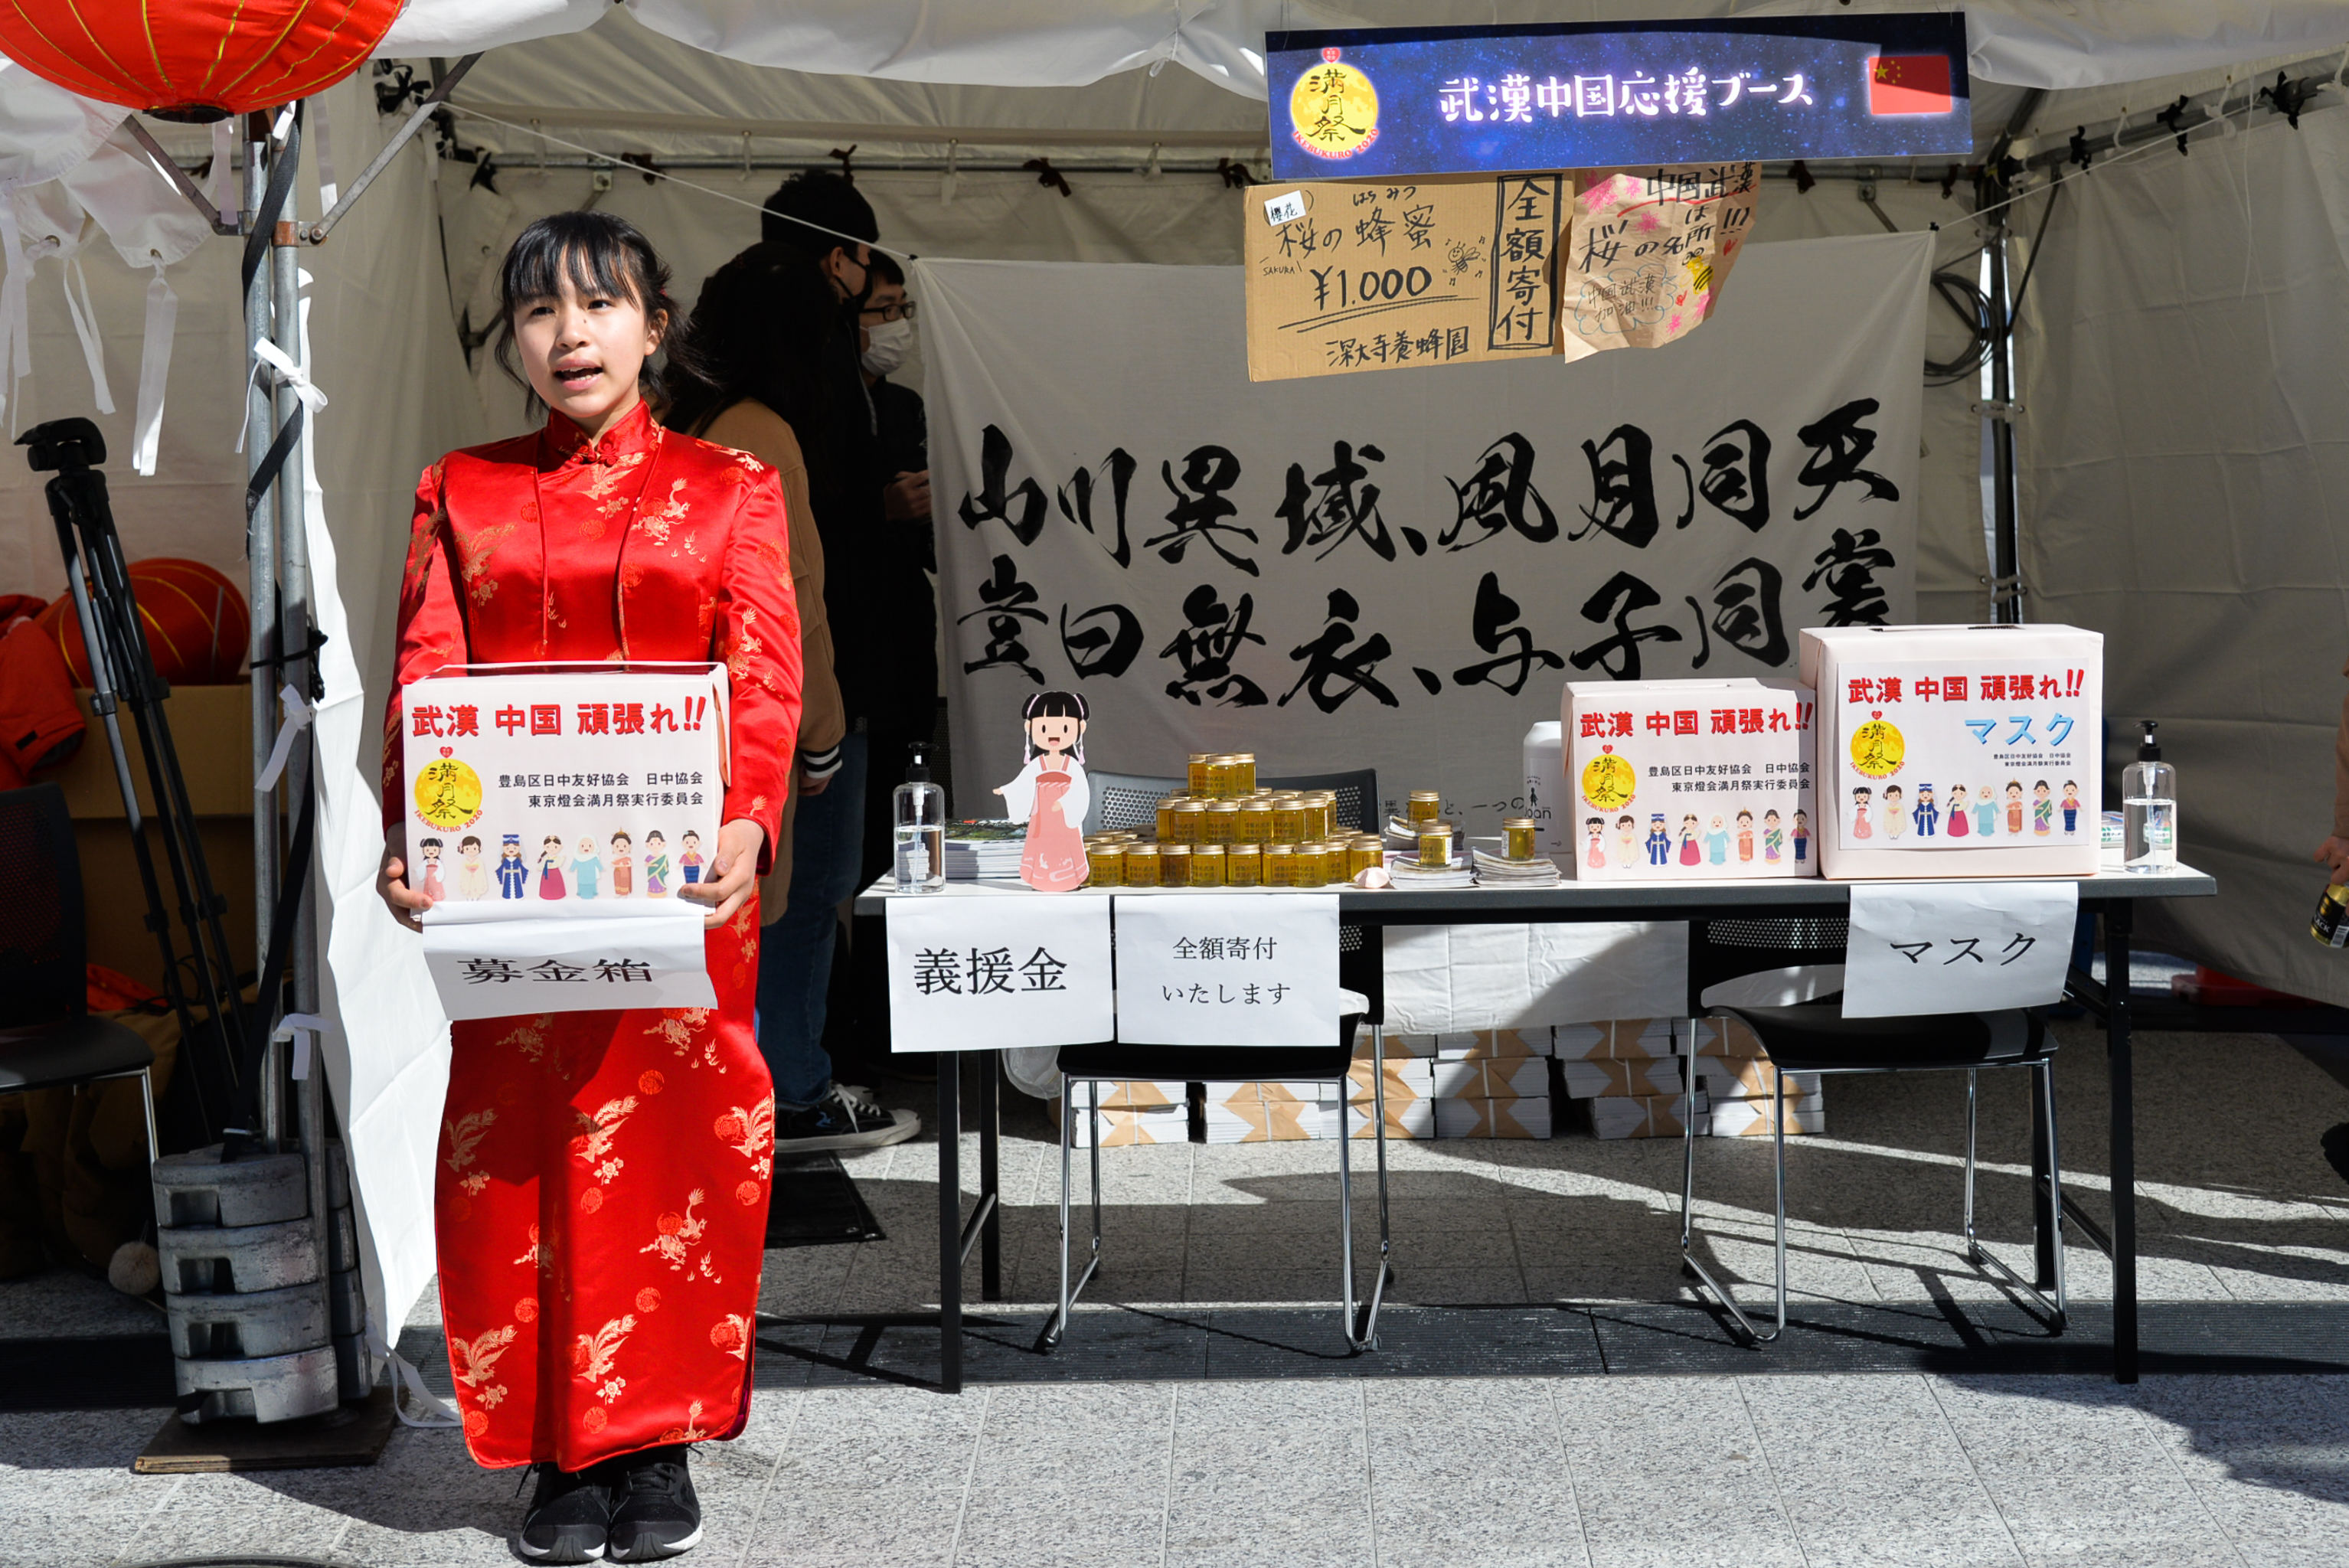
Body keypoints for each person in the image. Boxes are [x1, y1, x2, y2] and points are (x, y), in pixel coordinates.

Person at [374, 211, 802, 1563]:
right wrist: (410, 831)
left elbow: (765, 669)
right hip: (515, 887)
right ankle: (557, 1447)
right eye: (538, 312)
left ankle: (658, 1436)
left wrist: (749, 817)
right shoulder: (464, 486)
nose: (568, 335)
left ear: (652, 326)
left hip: (680, 887)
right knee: (523, 1140)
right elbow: (425, 675)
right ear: (511, 341)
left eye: (598, 305)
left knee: (678, 1136)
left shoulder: (730, 484)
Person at [664, 241, 920, 1154]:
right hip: (777, 715)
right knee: (804, 897)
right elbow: (792, 593)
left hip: (700, 716)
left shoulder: (682, 416)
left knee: (742, 908)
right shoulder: (762, 430)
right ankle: (793, 1087)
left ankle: (753, 1082)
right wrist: (821, 732)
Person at [762, 172, 940, 1075]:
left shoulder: (891, 405)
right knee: (814, 880)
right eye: (876, 300)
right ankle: (800, 1068)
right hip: (817, 678)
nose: (879, 320)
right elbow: (806, 554)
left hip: (867, 669)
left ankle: (821, 1052)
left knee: (853, 865)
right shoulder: (783, 410)